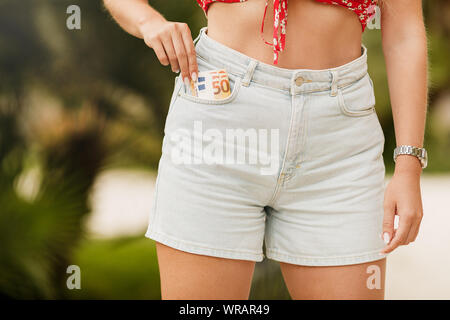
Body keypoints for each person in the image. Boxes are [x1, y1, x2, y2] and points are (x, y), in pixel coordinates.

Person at [103, 0, 428, 300]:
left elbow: (404, 33)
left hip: (338, 144)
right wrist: (149, 22)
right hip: (217, 118)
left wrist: (408, 165)